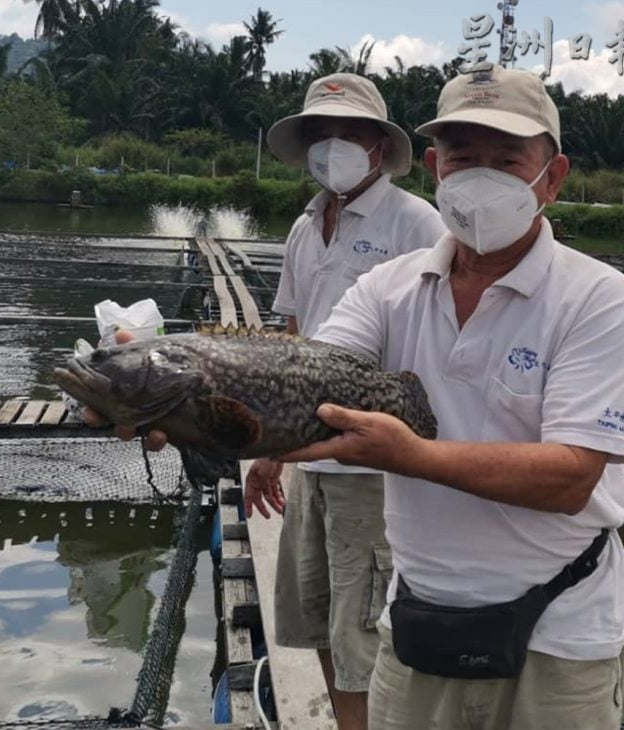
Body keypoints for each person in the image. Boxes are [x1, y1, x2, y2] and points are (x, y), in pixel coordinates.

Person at [278, 65, 624, 730]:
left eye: (508, 159)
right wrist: (175, 393)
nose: (482, 175)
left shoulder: (596, 296)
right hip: (417, 624)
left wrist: (410, 454)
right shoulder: (387, 289)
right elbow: (312, 376)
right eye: (463, 156)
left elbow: (571, 477)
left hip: (557, 641)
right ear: (433, 167)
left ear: (552, 177)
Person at [244, 73, 446, 730]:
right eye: (320, 137)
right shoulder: (306, 227)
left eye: (349, 136)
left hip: (375, 469)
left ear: (380, 149)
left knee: (367, 636)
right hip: (311, 463)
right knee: (318, 623)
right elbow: (295, 339)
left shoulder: (416, 223)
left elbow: (435, 347)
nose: (333, 149)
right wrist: (274, 449)